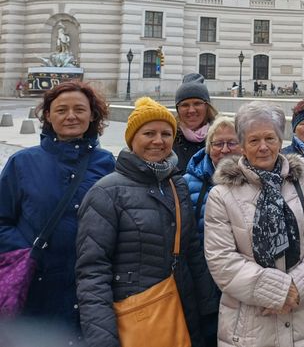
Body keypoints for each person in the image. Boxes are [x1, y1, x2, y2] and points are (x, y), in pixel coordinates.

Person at [76, 97, 217, 347]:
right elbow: (93, 272)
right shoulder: (106, 193)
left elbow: (192, 250)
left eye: (166, 133)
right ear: (132, 139)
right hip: (135, 317)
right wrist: (102, 338)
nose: (158, 141)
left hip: (181, 311)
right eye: (148, 133)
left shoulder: (177, 185)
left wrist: (209, 311)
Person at [204, 102, 304, 347]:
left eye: (270, 138)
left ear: (280, 139)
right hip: (248, 324)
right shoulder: (222, 194)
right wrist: (278, 292)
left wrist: (296, 287)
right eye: (254, 140)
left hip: (302, 319)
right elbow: (221, 259)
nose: (263, 147)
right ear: (241, 145)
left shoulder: (302, 184)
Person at [0, 81, 115, 339]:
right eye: (61, 110)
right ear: (48, 116)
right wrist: (28, 253)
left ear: (93, 114)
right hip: (35, 288)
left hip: (90, 289)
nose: (71, 116)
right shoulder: (22, 162)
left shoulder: (107, 163)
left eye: (79, 109)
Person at [183, 116, 241, 245]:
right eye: (218, 144)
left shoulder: (254, 179)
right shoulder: (187, 183)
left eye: (232, 143)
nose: (225, 150)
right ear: (209, 149)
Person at [174, 73, 218, 172]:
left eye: (197, 103)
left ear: (207, 106)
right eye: (185, 105)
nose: (191, 110)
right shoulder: (169, 138)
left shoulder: (220, 138)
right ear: (178, 109)